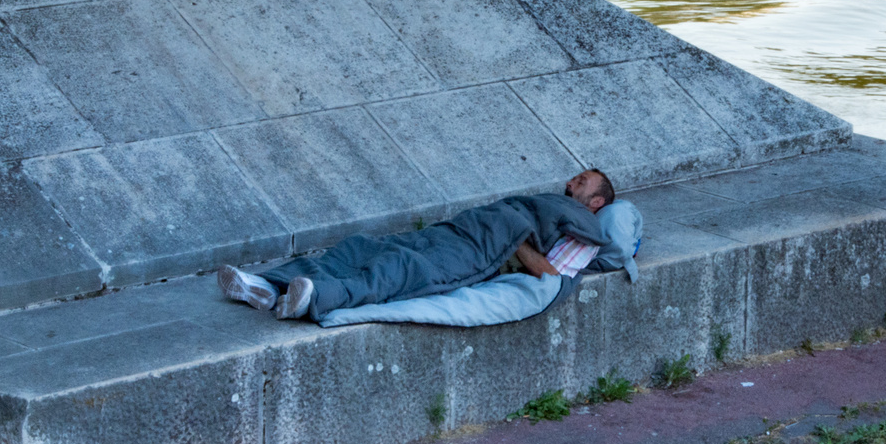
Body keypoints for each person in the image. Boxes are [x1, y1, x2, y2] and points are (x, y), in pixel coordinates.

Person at [218, 169, 615, 322]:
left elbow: (554, 278)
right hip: (458, 232)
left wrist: (516, 239)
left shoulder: (586, 230)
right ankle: (269, 286)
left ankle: (317, 296)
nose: (570, 182)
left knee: (402, 268)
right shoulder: (551, 203)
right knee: (362, 247)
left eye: (582, 182)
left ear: (596, 202)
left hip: (477, 254)